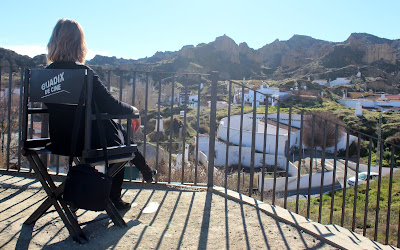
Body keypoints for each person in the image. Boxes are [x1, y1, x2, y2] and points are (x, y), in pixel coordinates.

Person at [45, 18, 156, 210]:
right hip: (85, 142)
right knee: (120, 145)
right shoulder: (84, 73)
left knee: (117, 133)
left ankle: (142, 173)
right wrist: (134, 111)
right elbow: (111, 105)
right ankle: (116, 195)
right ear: (79, 44)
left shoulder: (45, 75)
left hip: (59, 140)